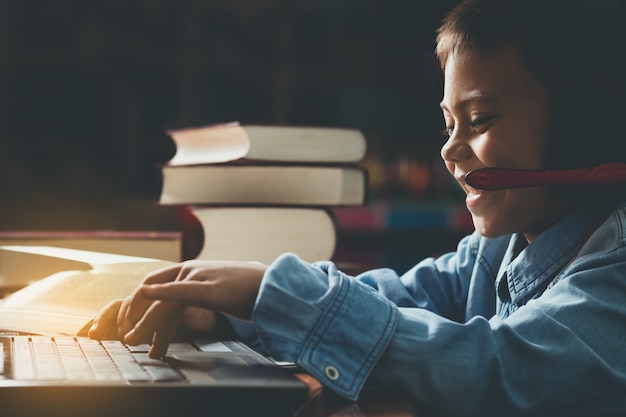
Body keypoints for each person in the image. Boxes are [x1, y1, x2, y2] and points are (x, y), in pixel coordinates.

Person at [88, 0, 626, 415]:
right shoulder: (495, 251)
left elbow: (496, 368)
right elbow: (400, 298)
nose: (449, 149)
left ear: (577, 132)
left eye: (479, 120)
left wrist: (272, 292)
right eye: (448, 124)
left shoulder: (614, 277)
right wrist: (232, 313)